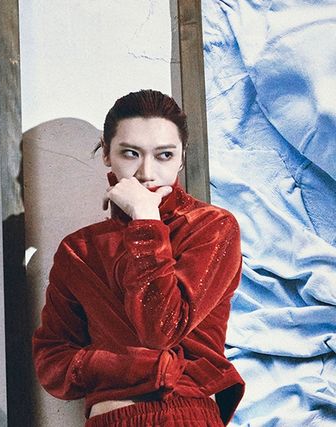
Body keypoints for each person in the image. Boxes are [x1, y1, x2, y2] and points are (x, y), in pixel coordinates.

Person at [32, 89, 245, 426]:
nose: (146, 172)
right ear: (107, 153)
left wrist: (146, 220)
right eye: (131, 153)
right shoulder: (79, 249)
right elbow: (51, 362)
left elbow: (161, 329)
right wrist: (139, 366)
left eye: (164, 155)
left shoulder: (210, 227)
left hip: (182, 415)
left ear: (181, 158)